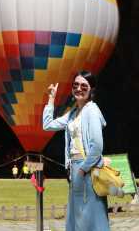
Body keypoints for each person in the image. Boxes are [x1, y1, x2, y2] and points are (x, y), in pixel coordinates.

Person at [43, 70, 111, 231]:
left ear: (91, 89)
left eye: (84, 85)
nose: (79, 88)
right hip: (75, 168)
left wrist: (82, 170)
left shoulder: (92, 111)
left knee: (90, 214)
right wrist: (51, 99)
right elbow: (47, 125)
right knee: (78, 215)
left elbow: (97, 147)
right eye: (75, 85)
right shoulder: (73, 114)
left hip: (87, 168)